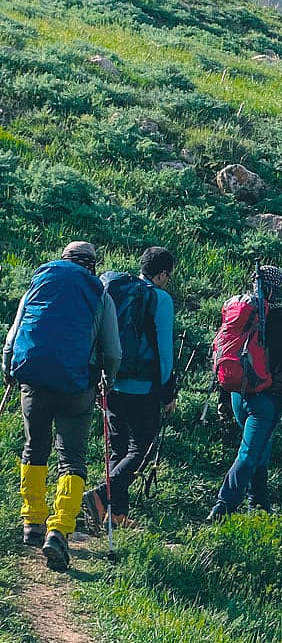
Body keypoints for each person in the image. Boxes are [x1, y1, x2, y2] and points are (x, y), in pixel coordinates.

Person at [3, 241, 121, 570]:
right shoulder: (100, 294)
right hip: (76, 388)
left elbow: (14, 333)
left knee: (34, 448)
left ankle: (32, 522)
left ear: (64, 260)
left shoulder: (41, 282)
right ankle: (59, 530)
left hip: (35, 381)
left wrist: (8, 369)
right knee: (72, 460)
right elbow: (112, 351)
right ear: (92, 266)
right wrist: (106, 382)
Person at [82, 247, 177, 532]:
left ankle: (116, 515)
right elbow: (164, 351)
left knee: (118, 448)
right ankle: (99, 496)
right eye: (168, 276)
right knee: (141, 449)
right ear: (161, 274)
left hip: (110, 382)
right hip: (143, 388)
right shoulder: (160, 299)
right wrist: (168, 392)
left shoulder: (117, 291)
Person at [208, 266, 282, 520]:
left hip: (238, 393)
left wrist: (223, 397)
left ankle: (259, 505)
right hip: (267, 396)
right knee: (250, 453)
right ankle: (222, 506)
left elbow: (226, 352)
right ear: (276, 288)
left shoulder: (240, 313)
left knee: (259, 449)